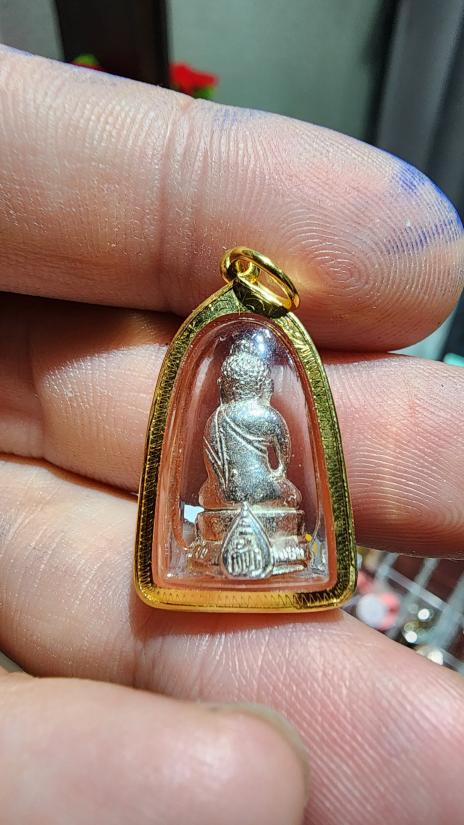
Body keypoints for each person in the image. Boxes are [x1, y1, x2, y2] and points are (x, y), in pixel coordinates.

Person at [0, 46, 463, 825]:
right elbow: (271, 465)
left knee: (247, 496)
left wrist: (251, 480)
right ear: (245, 383)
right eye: (244, 384)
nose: (245, 391)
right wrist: (264, 480)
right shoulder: (252, 415)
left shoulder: (229, 414)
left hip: (229, 510)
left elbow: (242, 464)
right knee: (267, 495)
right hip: (253, 509)